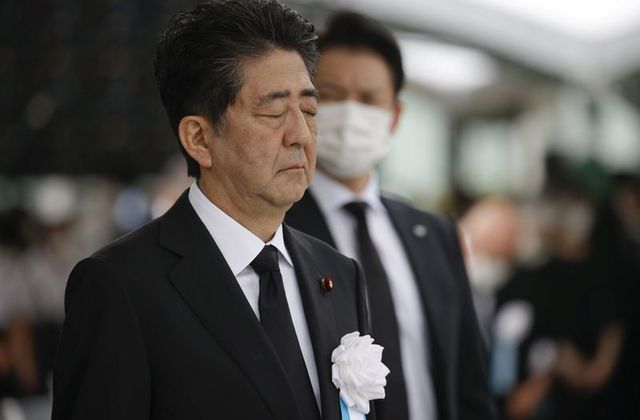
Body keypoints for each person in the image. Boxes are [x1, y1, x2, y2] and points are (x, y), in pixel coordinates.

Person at [51, 2, 373, 419]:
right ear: (199, 138)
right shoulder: (122, 287)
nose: (300, 135)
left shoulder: (338, 273)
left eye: (309, 111)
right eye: (273, 111)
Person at [285, 11, 494, 420]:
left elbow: (470, 380)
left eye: (368, 99)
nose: (350, 113)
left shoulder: (434, 234)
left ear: (394, 115)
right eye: (331, 95)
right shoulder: (279, 228)